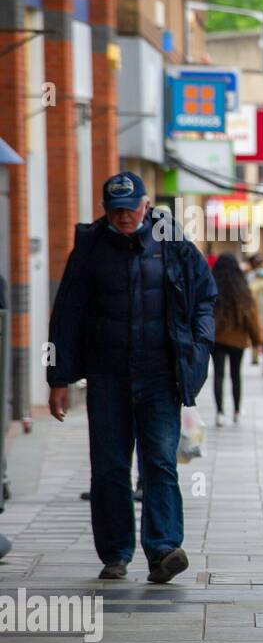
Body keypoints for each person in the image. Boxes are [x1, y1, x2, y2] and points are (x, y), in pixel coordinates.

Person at [47, 171, 217, 583]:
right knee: (108, 466)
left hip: (160, 375)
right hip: (107, 377)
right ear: (106, 210)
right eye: (116, 210)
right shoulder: (90, 248)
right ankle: (116, 553)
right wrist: (58, 379)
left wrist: (198, 347)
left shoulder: (173, 243)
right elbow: (67, 313)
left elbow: (205, 297)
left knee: (160, 463)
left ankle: (163, 550)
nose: (124, 217)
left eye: (130, 208)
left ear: (146, 205)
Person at [210, 252, 263, 426]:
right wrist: (257, 340)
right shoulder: (241, 287)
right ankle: (237, 410)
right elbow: (251, 315)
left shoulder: (211, 286)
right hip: (238, 339)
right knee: (236, 375)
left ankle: (219, 412)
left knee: (218, 374)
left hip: (216, 338)